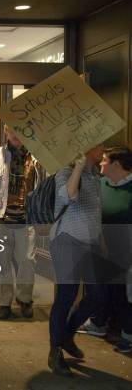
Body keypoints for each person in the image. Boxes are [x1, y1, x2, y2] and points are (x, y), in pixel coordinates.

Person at [47, 144, 105, 376]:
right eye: (99, 145)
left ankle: (67, 334)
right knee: (66, 296)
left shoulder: (96, 176)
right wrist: (78, 168)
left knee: (97, 295)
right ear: (88, 148)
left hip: (90, 244)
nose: (103, 149)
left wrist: (101, 241)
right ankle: (55, 351)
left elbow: (95, 211)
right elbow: (68, 197)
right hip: (67, 242)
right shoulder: (65, 173)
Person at [0, 125, 45, 320]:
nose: (17, 135)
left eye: (21, 130)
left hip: (27, 218)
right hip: (1, 218)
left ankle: (24, 299)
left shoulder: (36, 158)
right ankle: (4, 303)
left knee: (27, 261)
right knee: (1, 263)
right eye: (13, 131)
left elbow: (45, 185)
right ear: (6, 132)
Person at [77, 146, 132, 353]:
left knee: (123, 295)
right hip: (100, 247)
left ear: (116, 165)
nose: (100, 163)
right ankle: (98, 324)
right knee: (101, 290)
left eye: (105, 160)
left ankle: (128, 335)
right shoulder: (101, 184)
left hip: (126, 252)